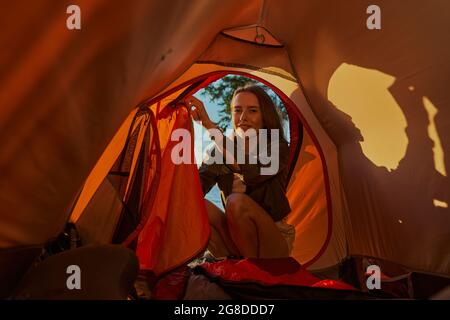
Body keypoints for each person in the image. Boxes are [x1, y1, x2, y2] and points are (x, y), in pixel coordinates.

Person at [183, 84, 295, 259]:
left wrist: (209, 125)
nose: (243, 117)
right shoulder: (219, 149)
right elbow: (195, 189)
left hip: (273, 238)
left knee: (236, 202)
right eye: (237, 110)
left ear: (265, 116)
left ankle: (249, 272)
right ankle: (234, 267)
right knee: (198, 205)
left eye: (252, 111)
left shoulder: (277, 146)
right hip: (235, 239)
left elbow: (253, 170)